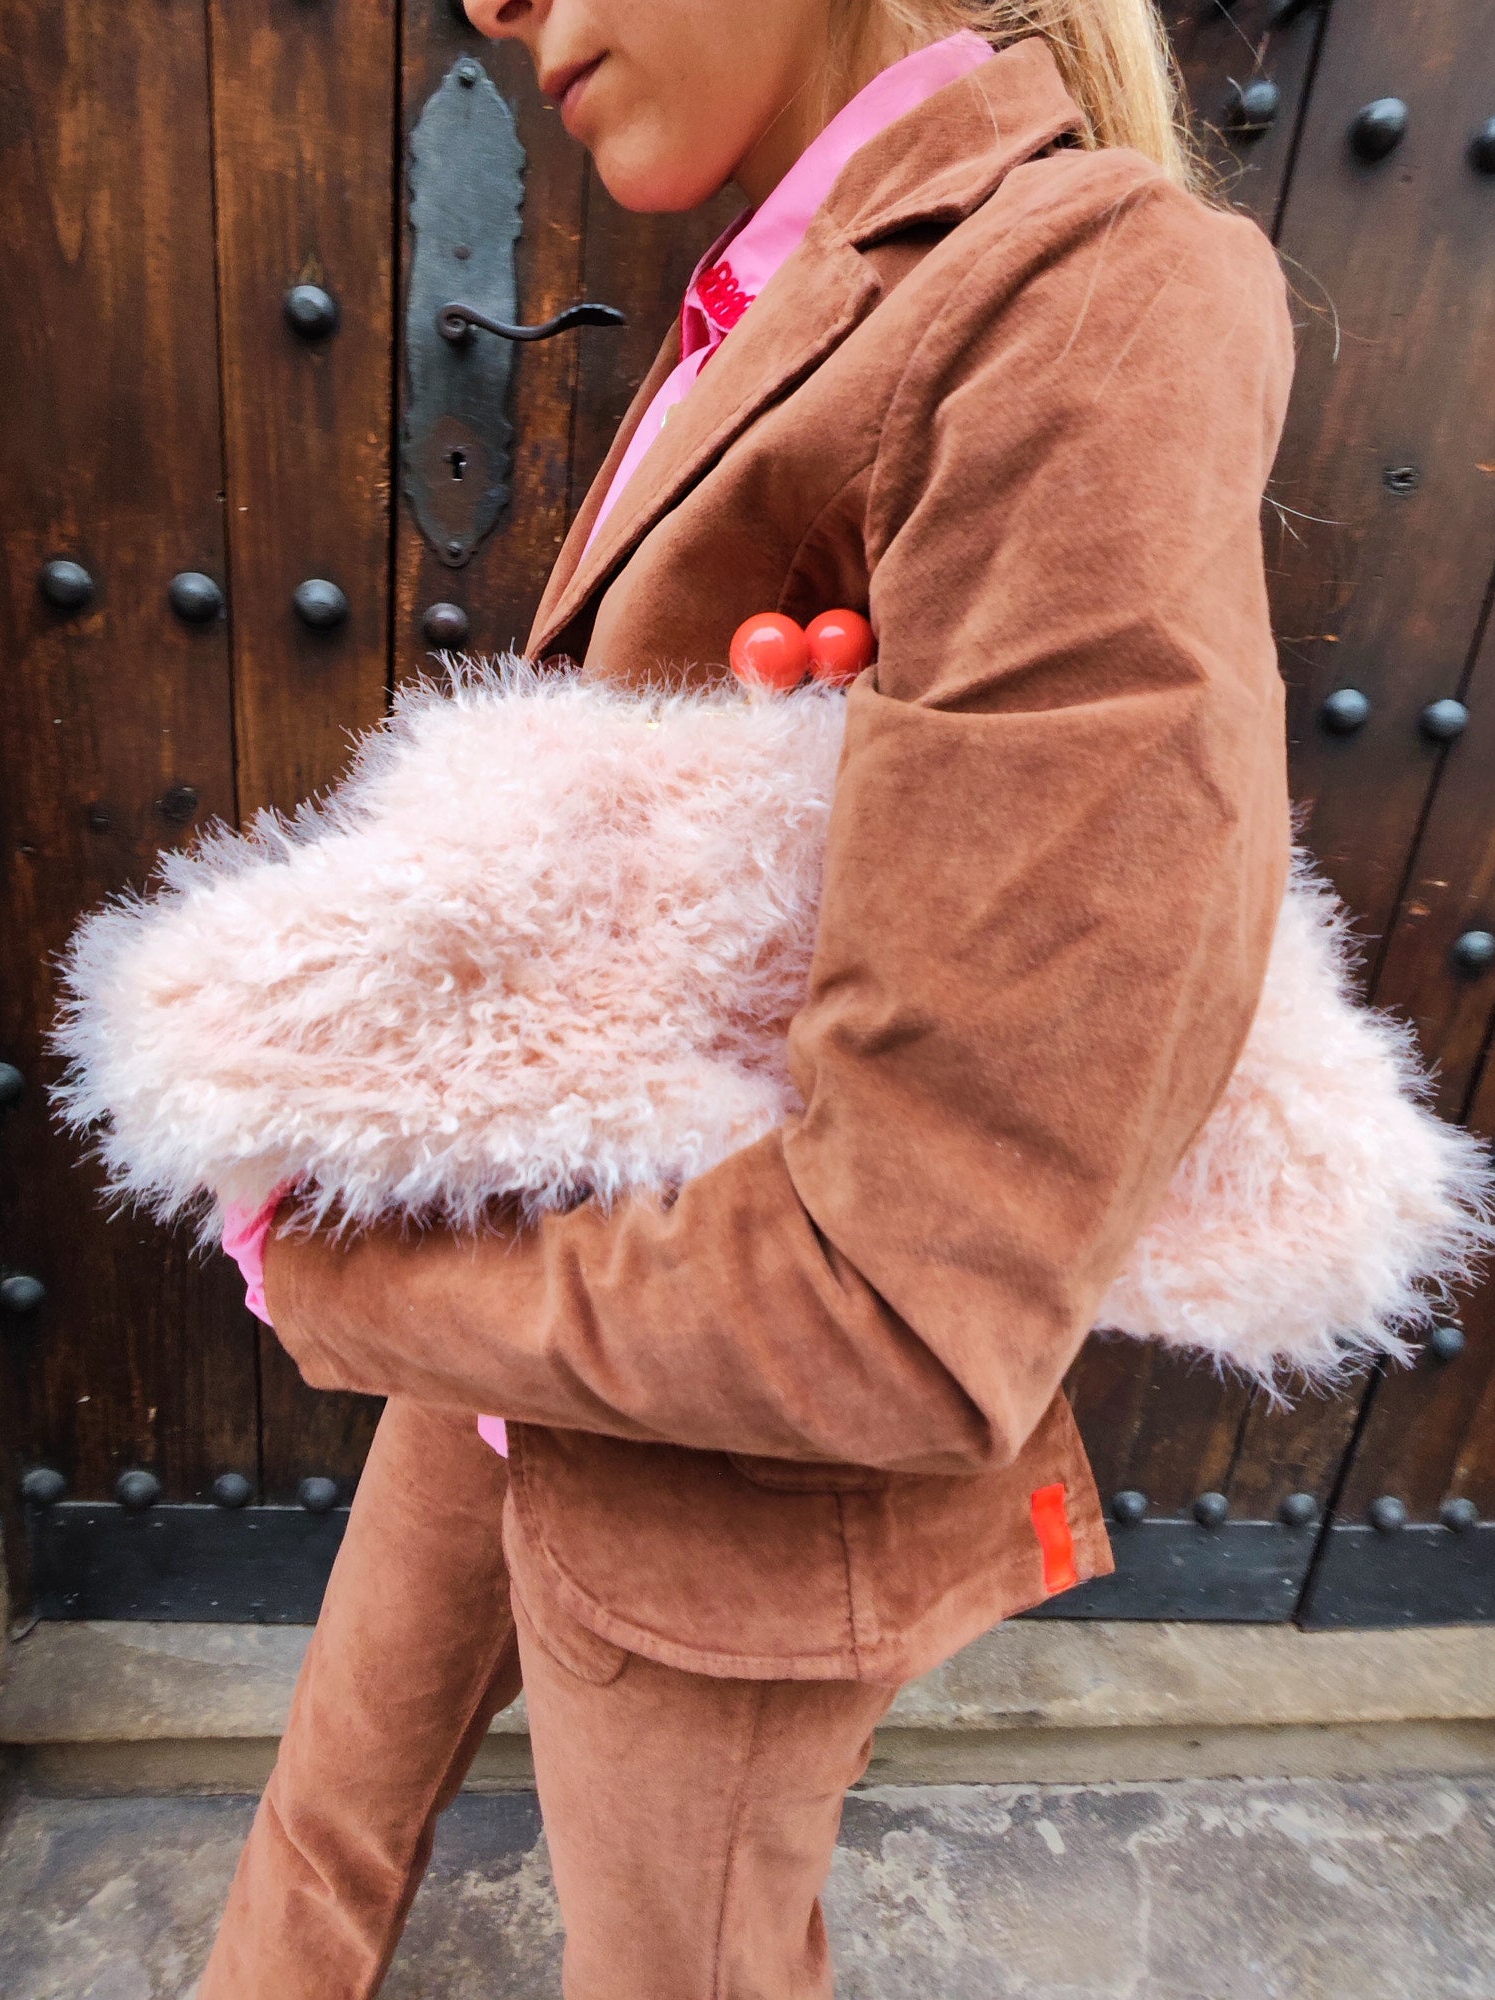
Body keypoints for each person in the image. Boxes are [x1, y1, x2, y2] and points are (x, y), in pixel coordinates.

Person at [198, 1, 1294, 1993]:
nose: (488, 4)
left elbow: (908, 1291)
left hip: (716, 1445)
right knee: (326, 1806)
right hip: (546, 1289)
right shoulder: (780, 275)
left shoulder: (1088, 298)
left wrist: (327, 1281)